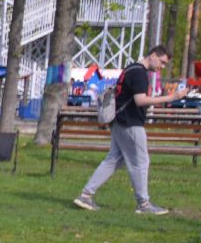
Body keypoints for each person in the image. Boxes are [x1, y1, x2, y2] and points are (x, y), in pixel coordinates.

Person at [73, 45, 185, 215]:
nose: (162, 67)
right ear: (153, 55)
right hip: (130, 122)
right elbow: (140, 100)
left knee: (114, 159)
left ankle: (85, 195)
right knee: (141, 162)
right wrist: (171, 97)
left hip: (118, 119)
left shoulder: (130, 68)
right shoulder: (139, 73)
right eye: (162, 62)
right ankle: (143, 204)